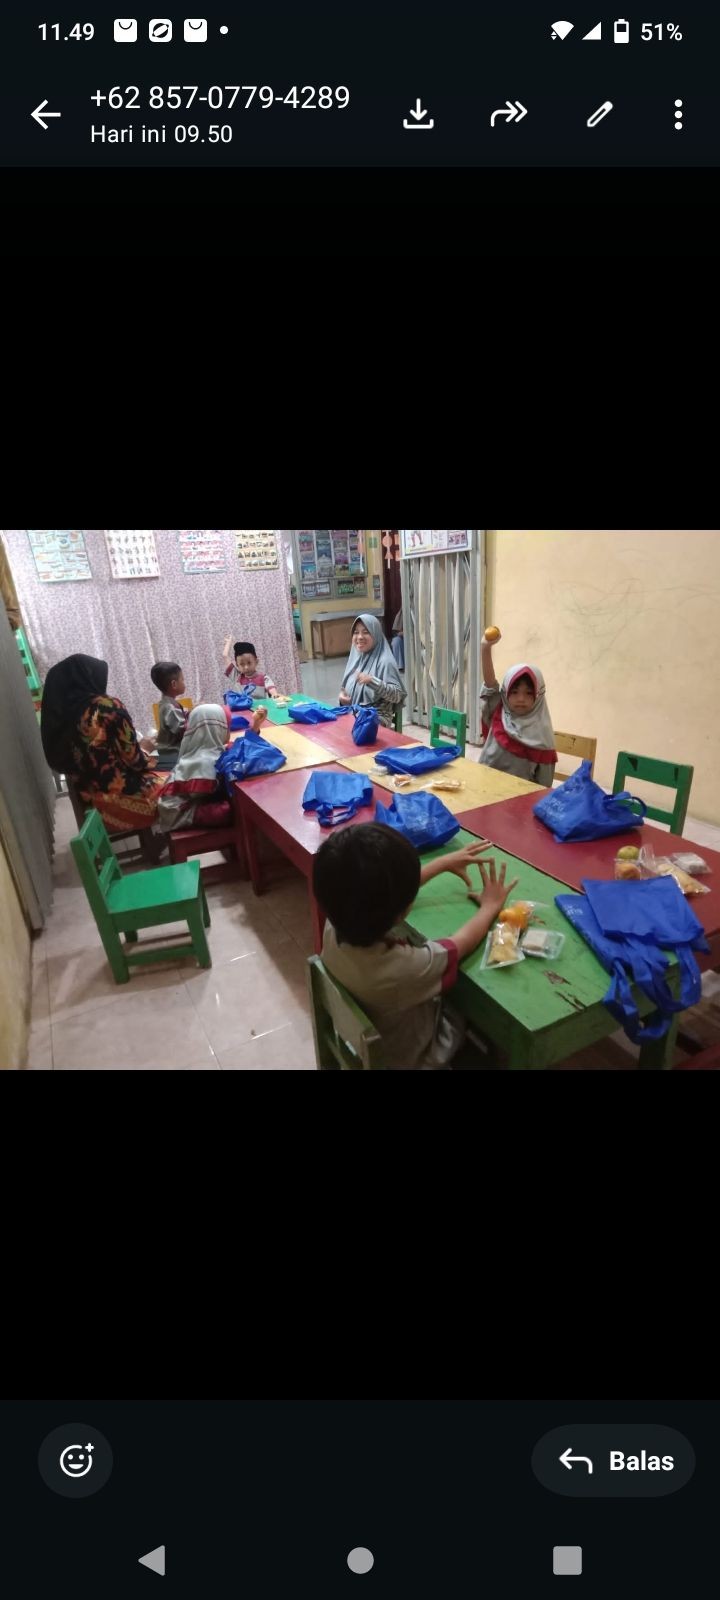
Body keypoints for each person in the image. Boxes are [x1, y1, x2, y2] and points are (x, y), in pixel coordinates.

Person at [312, 822, 517, 1070]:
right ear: (400, 912)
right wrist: (490, 906)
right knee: (478, 1010)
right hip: (416, 1057)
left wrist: (442, 863)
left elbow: (376, 894)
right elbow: (459, 944)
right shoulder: (402, 968)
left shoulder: (335, 923)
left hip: (372, 1038)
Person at [40, 654, 167, 833]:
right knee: (180, 783)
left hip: (89, 804)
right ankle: (174, 839)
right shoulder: (108, 707)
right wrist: (145, 748)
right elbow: (136, 762)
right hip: (122, 802)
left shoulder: (64, 716)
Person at [156, 702, 267, 833]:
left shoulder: (201, 748)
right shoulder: (203, 761)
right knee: (234, 809)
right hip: (180, 812)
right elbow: (211, 789)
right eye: (226, 727)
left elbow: (236, 748)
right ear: (216, 729)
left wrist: (255, 726)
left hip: (192, 801)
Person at [478, 627, 557, 787]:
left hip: (518, 798)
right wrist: (485, 648)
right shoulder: (500, 710)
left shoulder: (543, 737)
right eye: (514, 692)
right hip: (485, 786)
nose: (521, 699)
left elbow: (544, 787)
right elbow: (490, 684)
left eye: (528, 693)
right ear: (506, 693)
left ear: (539, 695)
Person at [338, 614, 406, 728]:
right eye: (356, 632)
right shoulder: (356, 658)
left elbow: (397, 695)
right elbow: (345, 689)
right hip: (354, 714)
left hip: (375, 720)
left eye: (366, 632)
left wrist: (372, 681)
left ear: (376, 634)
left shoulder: (385, 661)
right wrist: (342, 697)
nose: (360, 637)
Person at [150, 660, 189, 770]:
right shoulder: (169, 707)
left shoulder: (167, 703)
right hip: (171, 753)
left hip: (172, 752)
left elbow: (181, 716)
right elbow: (183, 730)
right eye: (182, 680)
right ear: (174, 684)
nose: (184, 683)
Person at [391, 606, 405, 671]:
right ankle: (400, 667)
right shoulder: (402, 612)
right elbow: (396, 632)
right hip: (404, 638)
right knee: (396, 641)